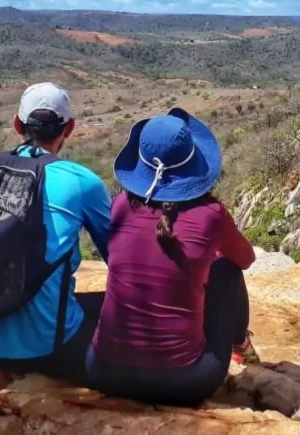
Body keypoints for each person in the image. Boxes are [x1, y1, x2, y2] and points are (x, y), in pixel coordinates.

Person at [86, 107, 257, 407]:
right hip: (185, 382)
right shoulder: (211, 216)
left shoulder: (119, 207)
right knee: (227, 270)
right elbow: (245, 259)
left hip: (104, 374)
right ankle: (241, 346)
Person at [0, 82, 111, 384]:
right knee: (105, 307)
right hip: (48, 349)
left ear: (17, 124)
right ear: (70, 128)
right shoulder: (81, 182)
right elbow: (118, 257)